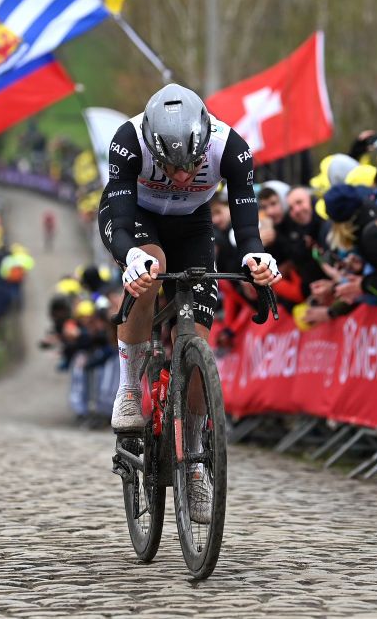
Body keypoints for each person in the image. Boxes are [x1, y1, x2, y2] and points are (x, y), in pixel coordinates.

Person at [97, 83, 280, 522]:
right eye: (170, 167)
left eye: (192, 167)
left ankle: (194, 459)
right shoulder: (128, 140)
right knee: (152, 266)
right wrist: (132, 256)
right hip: (135, 219)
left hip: (194, 225)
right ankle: (128, 388)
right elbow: (121, 220)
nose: (181, 177)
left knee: (197, 333)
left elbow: (244, 219)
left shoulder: (230, 146)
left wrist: (255, 255)